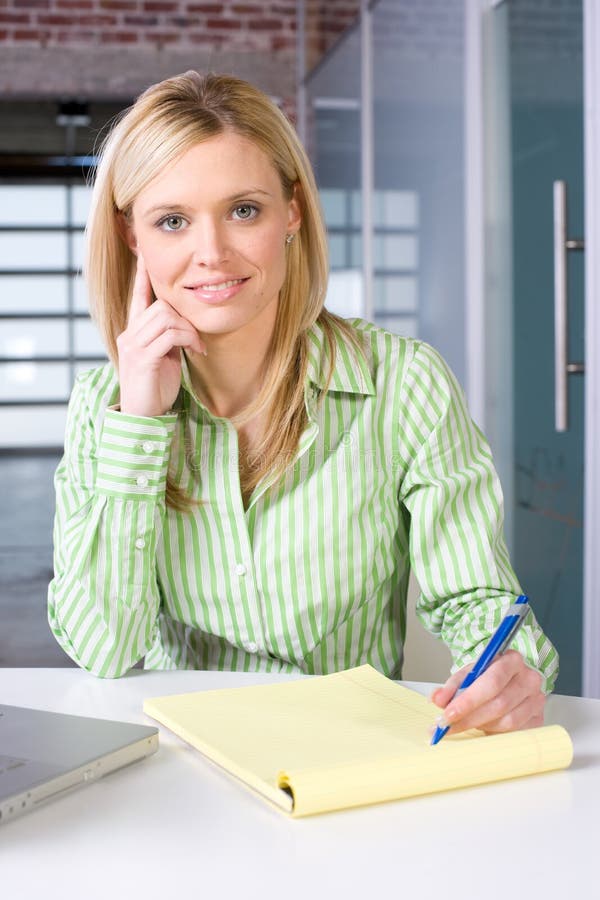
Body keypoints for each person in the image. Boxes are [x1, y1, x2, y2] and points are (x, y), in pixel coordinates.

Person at [48, 70, 557, 737]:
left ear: (291, 212)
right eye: (172, 220)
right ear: (131, 236)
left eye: (243, 210)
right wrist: (140, 425)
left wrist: (509, 671)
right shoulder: (104, 407)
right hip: (184, 766)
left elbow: (476, 600)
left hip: (348, 763)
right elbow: (103, 647)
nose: (211, 254)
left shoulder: (402, 384)